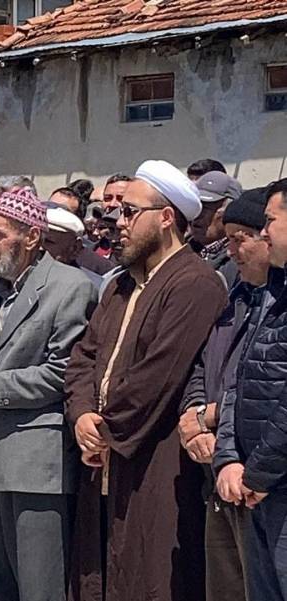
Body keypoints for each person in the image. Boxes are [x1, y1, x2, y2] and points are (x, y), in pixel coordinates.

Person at [65, 160, 228, 601]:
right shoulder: (120, 285)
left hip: (153, 459)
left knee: (148, 577)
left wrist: (103, 428)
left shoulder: (195, 283)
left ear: (166, 217)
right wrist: (80, 414)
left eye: (130, 212)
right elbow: (84, 356)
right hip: (102, 456)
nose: (119, 223)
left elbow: (159, 376)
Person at [0, 189, 96, 601]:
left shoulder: (70, 287)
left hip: (33, 466)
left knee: (39, 588)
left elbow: (64, 374)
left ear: (30, 236)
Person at [186, 188, 270, 601]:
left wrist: (212, 420)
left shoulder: (276, 305)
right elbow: (204, 365)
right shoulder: (234, 299)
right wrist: (195, 417)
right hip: (216, 472)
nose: (232, 250)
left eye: (242, 239)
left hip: (255, 476)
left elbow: (261, 386)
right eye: (230, 238)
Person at [227, 178, 287, 600]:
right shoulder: (276, 294)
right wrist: (231, 458)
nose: (263, 233)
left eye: (270, 221)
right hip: (262, 490)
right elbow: (242, 377)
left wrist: (259, 472)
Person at [193, 171, 243, 273]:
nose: (197, 214)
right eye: (195, 206)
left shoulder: (239, 259)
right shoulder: (183, 246)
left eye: (205, 208)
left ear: (230, 211)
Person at [43, 205, 105, 285]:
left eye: (48, 241)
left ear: (75, 248)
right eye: (37, 240)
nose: (40, 248)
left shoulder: (88, 285)